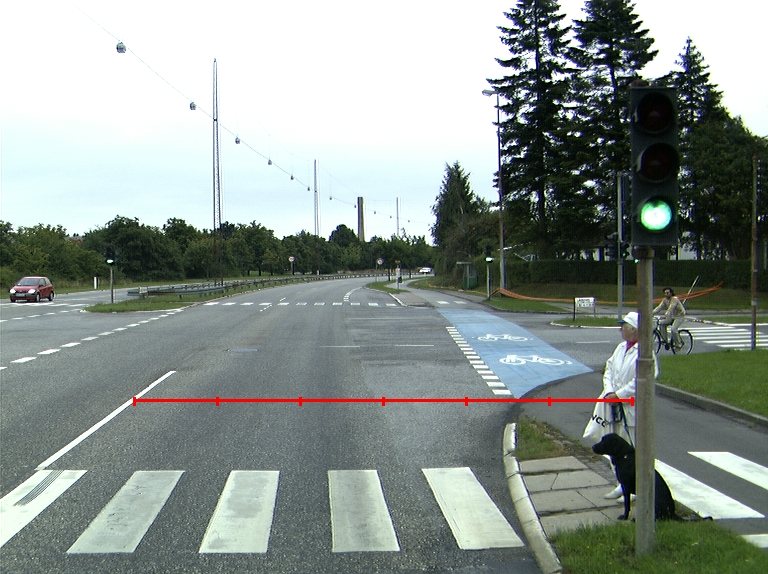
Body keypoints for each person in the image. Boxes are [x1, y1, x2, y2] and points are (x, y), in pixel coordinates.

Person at [599, 311, 658, 499]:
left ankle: (637, 486)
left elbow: (643, 379)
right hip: (614, 405)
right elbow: (609, 369)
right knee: (615, 446)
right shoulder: (620, 348)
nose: (620, 330)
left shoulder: (645, 352)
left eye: (623, 327)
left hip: (632, 408)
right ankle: (621, 483)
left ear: (634, 329)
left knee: (633, 448)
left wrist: (620, 394)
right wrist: (609, 391)